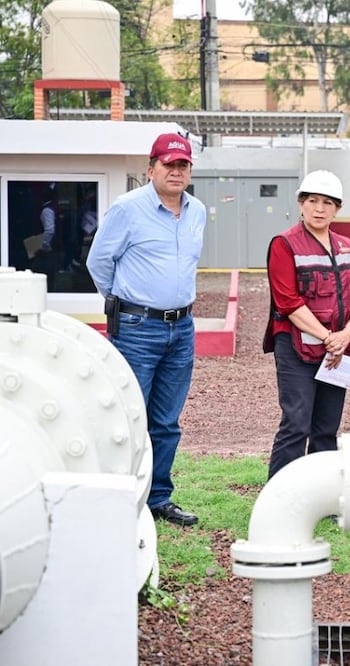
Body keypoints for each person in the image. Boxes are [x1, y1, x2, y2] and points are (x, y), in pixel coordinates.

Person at [87, 132, 207, 527]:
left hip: (182, 327)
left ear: (190, 170)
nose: (176, 171)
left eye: (183, 165)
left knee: (167, 421)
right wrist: (124, 303)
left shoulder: (197, 211)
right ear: (150, 169)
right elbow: (99, 262)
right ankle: (121, 498)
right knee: (127, 417)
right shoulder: (127, 209)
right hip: (136, 327)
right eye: (168, 164)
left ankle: (158, 498)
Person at [263, 170, 350, 480]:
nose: (319, 208)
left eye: (327, 202)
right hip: (296, 350)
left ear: (337, 209)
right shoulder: (284, 244)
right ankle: (281, 496)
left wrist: (346, 335)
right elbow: (288, 303)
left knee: (326, 428)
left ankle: (320, 496)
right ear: (301, 203)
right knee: (296, 424)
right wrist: (329, 337)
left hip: (340, 352)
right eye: (312, 201)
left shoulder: (348, 246)